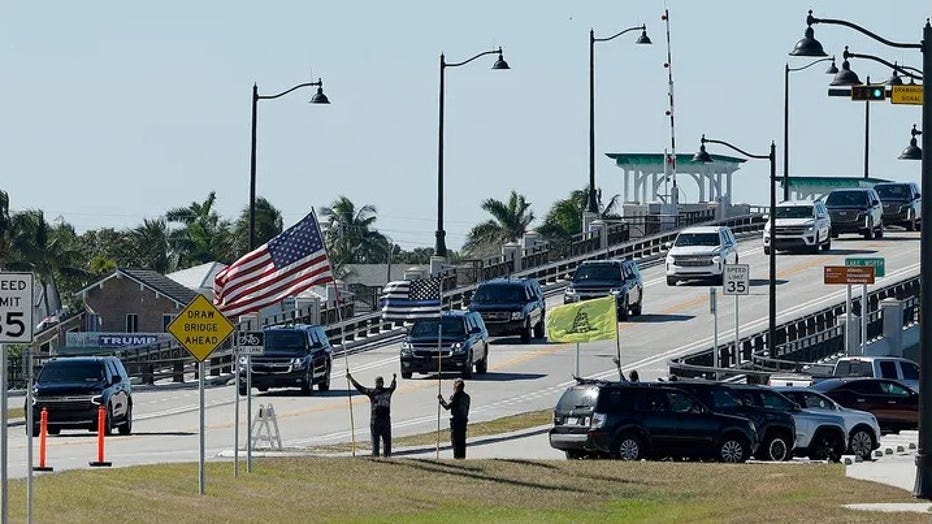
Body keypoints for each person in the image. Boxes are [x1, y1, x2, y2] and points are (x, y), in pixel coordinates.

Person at [347, 372, 397, 458]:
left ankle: (376, 456)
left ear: (376, 383)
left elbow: (360, 388)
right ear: (382, 383)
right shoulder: (388, 392)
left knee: (375, 441)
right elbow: (393, 387)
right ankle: (387, 456)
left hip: (376, 420)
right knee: (387, 441)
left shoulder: (373, 392)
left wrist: (351, 379)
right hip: (385, 420)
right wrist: (394, 379)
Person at [438, 378, 471, 459]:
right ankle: (462, 457)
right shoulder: (467, 397)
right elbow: (467, 409)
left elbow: (447, 407)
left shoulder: (456, 396)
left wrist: (441, 400)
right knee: (462, 440)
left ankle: (456, 457)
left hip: (456, 421)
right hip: (463, 420)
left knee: (455, 441)